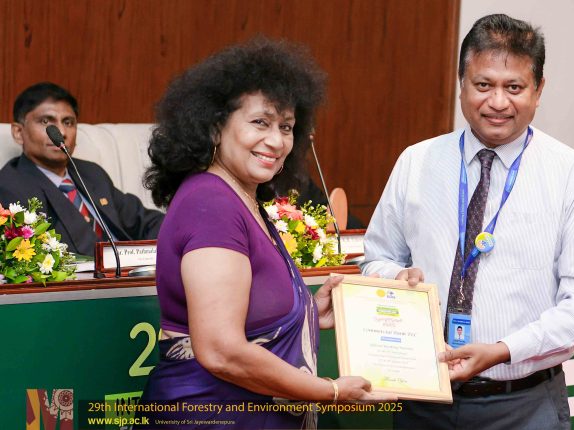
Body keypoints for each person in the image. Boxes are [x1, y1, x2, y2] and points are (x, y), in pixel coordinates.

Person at [361, 14, 574, 430]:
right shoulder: (416, 161)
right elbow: (376, 260)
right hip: (423, 401)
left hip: (525, 405)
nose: (497, 102)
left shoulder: (572, 174)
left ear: (538, 90)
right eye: (483, 85)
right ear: (461, 84)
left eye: (514, 87)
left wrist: (503, 349)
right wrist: (396, 278)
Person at [137, 38, 393, 429]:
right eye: (260, 122)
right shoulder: (211, 204)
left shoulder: (243, 199)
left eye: (286, 127)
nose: (276, 141)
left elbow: (248, 315)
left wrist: (306, 311)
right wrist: (330, 391)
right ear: (214, 125)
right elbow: (221, 351)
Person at [0, 82, 164, 256]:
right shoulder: (10, 186)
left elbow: (144, 220)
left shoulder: (91, 172)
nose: (61, 132)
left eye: (68, 122)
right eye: (46, 121)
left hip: (137, 267)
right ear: (18, 132)